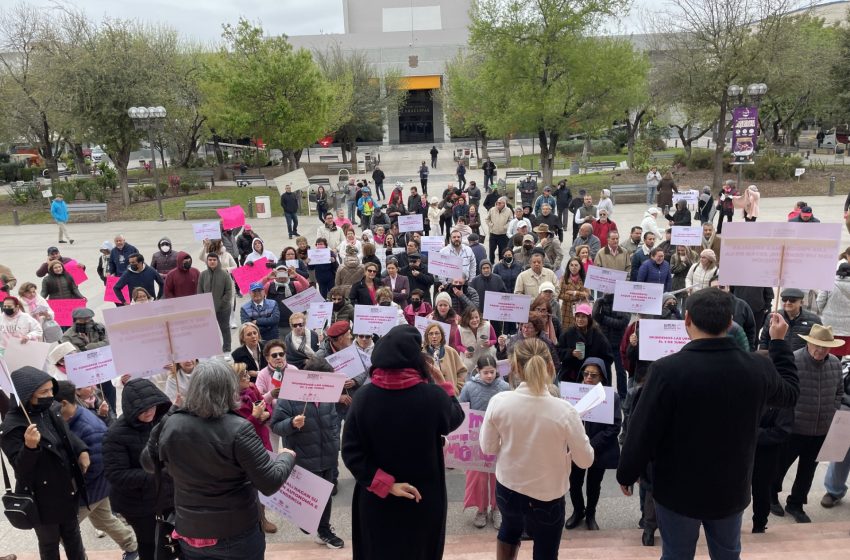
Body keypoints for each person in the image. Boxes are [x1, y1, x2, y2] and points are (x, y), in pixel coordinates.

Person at [617, 289, 800, 559]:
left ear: (687, 318)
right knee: (727, 554)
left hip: (677, 490)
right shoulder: (756, 367)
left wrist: (627, 471)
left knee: (676, 554)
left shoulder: (667, 370)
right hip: (730, 488)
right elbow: (791, 393)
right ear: (729, 323)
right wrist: (779, 344)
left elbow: (643, 429)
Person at [142, 360, 296, 560]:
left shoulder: (173, 423)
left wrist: (170, 415)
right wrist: (286, 456)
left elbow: (148, 463)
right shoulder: (239, 429)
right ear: (229, 390)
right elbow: (269, 482)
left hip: (190, 532)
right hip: (236, 534)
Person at [342, 325, 465, 560]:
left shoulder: (363, 398)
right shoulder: (433, 396)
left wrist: (386, 484)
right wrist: (442, 383)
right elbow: (455, 417)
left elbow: (350, 451)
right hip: (422, 499)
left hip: (376, 498)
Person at [481, 337, 594, 559]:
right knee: (546, 550)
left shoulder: (499, 401)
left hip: (508, 489)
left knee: (509, 529)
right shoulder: (565, 411)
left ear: (514, 367)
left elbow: (488, 448)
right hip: (548, 495)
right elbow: (586, 460)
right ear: (551, 367)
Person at [0, 367, 89, 560]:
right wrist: (30, 447)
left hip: (67, 489)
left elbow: (66, 435)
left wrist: (82, 449)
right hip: (42, 497)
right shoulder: (12, 425)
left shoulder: (50, 410)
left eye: (51, 390)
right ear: (27, 394)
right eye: (43, 392)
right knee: (50, 544)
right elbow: (21, 470)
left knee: (73, 537)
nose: (50, 395)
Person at [54, 381, 139, 559]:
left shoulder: (89, 427)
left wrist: (74, 489)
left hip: (90, 489)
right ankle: (132, 546)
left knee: (65, 530)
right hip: (97, 487)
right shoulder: (69, 418)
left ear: (63, 403)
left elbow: (96, 466)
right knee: (104, 519)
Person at [771, 324, 843, 523]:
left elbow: (839, 390)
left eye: (825, 347)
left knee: (807, 472)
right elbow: (781, 390)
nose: (820, 351)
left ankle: (796, 504)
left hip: (820, 430)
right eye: (817, 346)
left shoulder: (836, 363)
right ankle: (771, 496)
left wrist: (833, 409)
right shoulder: (793, 359)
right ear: (809, 343)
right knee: (779, 466)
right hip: (793, 427)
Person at [271, 356, 345, 549]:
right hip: (304, 457)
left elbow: (334, 420)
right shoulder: (290, 396)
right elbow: (276, 426)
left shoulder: (327, 395)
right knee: (310, 502)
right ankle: (314, 524)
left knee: (325, 495)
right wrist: (292, 423)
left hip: (327, 455)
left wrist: (335, 443)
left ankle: (324, 530)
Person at [103, 378, 172, 560]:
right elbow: (116, 475)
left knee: (169, 542)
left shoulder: (163, 421)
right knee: (149, 544)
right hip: (137, 504)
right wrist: (159, 474)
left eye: (153, 406)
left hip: (166, 496)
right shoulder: (116, 434)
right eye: (143, 409)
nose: (149, 411)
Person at [566, 359, 621, 532]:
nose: (588, 378)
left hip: (599, 449)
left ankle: (591, 514)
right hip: (575, 447)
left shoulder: (611, 396)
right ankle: (578, 511)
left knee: (593, 484)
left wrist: (592, 443)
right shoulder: (572, 393)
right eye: (586, 373)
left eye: (594, 375)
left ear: (602, 377)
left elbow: (615, 426)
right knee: (574, 482)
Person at [458, 356, 509, 528]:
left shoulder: (504, 387)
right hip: (475, 440)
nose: (489, 376)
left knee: (497, 475)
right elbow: (461, 409)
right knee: (478, 476)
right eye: (485, 372)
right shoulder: (469, 387)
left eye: (492, 372)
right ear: (478, 372)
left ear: (497, 371)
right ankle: (481, 509)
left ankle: (497, 508)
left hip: (498, 438)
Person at [558, 303, 614, 384]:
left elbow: (608, 357)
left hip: (591, 378)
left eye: (583, 316)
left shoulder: (598, 335)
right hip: (570, 376)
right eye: (578, 316)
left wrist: (594, 365)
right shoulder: (568, 333)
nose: (580, 319)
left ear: (589, 318)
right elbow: (558, 352)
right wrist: (571, 353)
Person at [758, 288, 821, 353]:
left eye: (792, 300)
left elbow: (818, 343)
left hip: (801, 360)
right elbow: (764, 340)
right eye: (784, 300)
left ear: (801, 303)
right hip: (777, 357)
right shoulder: (773, 317)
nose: (788, 302)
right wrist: (763, 357)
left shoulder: (814, 320)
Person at [197, 253, 234, 352]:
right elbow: (200, 291)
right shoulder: (203, 274)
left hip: (223, 308)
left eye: (214, 260)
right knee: (209, 331)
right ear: (207, 261)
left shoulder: (224, 274)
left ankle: (227, 349)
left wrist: (221, 303)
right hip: (208, 309)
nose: (212, 261)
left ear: (218, 261)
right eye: (210, 260)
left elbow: (229, 291)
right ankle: (211, 349)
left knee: (225, 329)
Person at [816, 263, 850, 357]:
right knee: (845, 354)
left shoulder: (828, 282)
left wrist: (823, 313)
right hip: (848, 327)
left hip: (829, 324)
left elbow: (820, 301)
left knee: (829, 352)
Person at [423, 322, 467, 394]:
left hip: (449, 395)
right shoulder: (422, 353)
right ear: (427, 336)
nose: (434, 336)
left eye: (437, 333)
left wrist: (457, 388)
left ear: (442, 335)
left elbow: (462, 371)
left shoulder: (451, 351)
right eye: (431, 334)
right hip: (429, 395)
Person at [455, 307, 497, 374]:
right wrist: (464, 350)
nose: (475, 320)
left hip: (486, 361)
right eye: (471, 318)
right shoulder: (460, 329)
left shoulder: (487, 325)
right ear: (466, 319)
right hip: (469, 363)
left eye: (476, 317)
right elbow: (457, 345)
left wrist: (489, 343)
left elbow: (494, 339)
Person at [558, 257, 590, 329]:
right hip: (566, 309)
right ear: (568, 267)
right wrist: (578, 295)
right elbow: (559, 294)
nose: (573, 267)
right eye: (571, 265)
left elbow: (587, 294)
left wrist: (575, 293)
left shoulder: (584, 279)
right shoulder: (563, 279)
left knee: (580, 329)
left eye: (576, 265)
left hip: (580, 308)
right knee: (567, 330)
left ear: (580, 267)